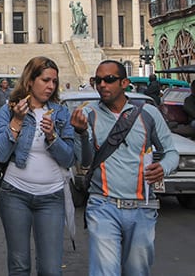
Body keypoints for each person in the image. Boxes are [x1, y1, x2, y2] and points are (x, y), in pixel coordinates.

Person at [70, 60, 178, 276]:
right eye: (97, 80)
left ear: (124, 83)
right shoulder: (88, 114)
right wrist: (81, 134)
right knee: (105, 271)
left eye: (109, 80)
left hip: (142, 207)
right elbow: (85, 161)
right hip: (102, 205)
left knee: (137, 271)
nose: (102, 85)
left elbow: (171, 152)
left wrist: (163, 167)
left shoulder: (148, 113)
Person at [0, 57, 75, 276]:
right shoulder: (9, 110)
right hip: (14, 193)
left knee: (51, 269)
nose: (51, 86)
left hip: (52, 195)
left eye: (54, 82)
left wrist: (52, 137)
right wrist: (17, 121)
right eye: (45, 80)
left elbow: (69, 159)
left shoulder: (60, 113)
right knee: (19, 266)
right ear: (30, 81)